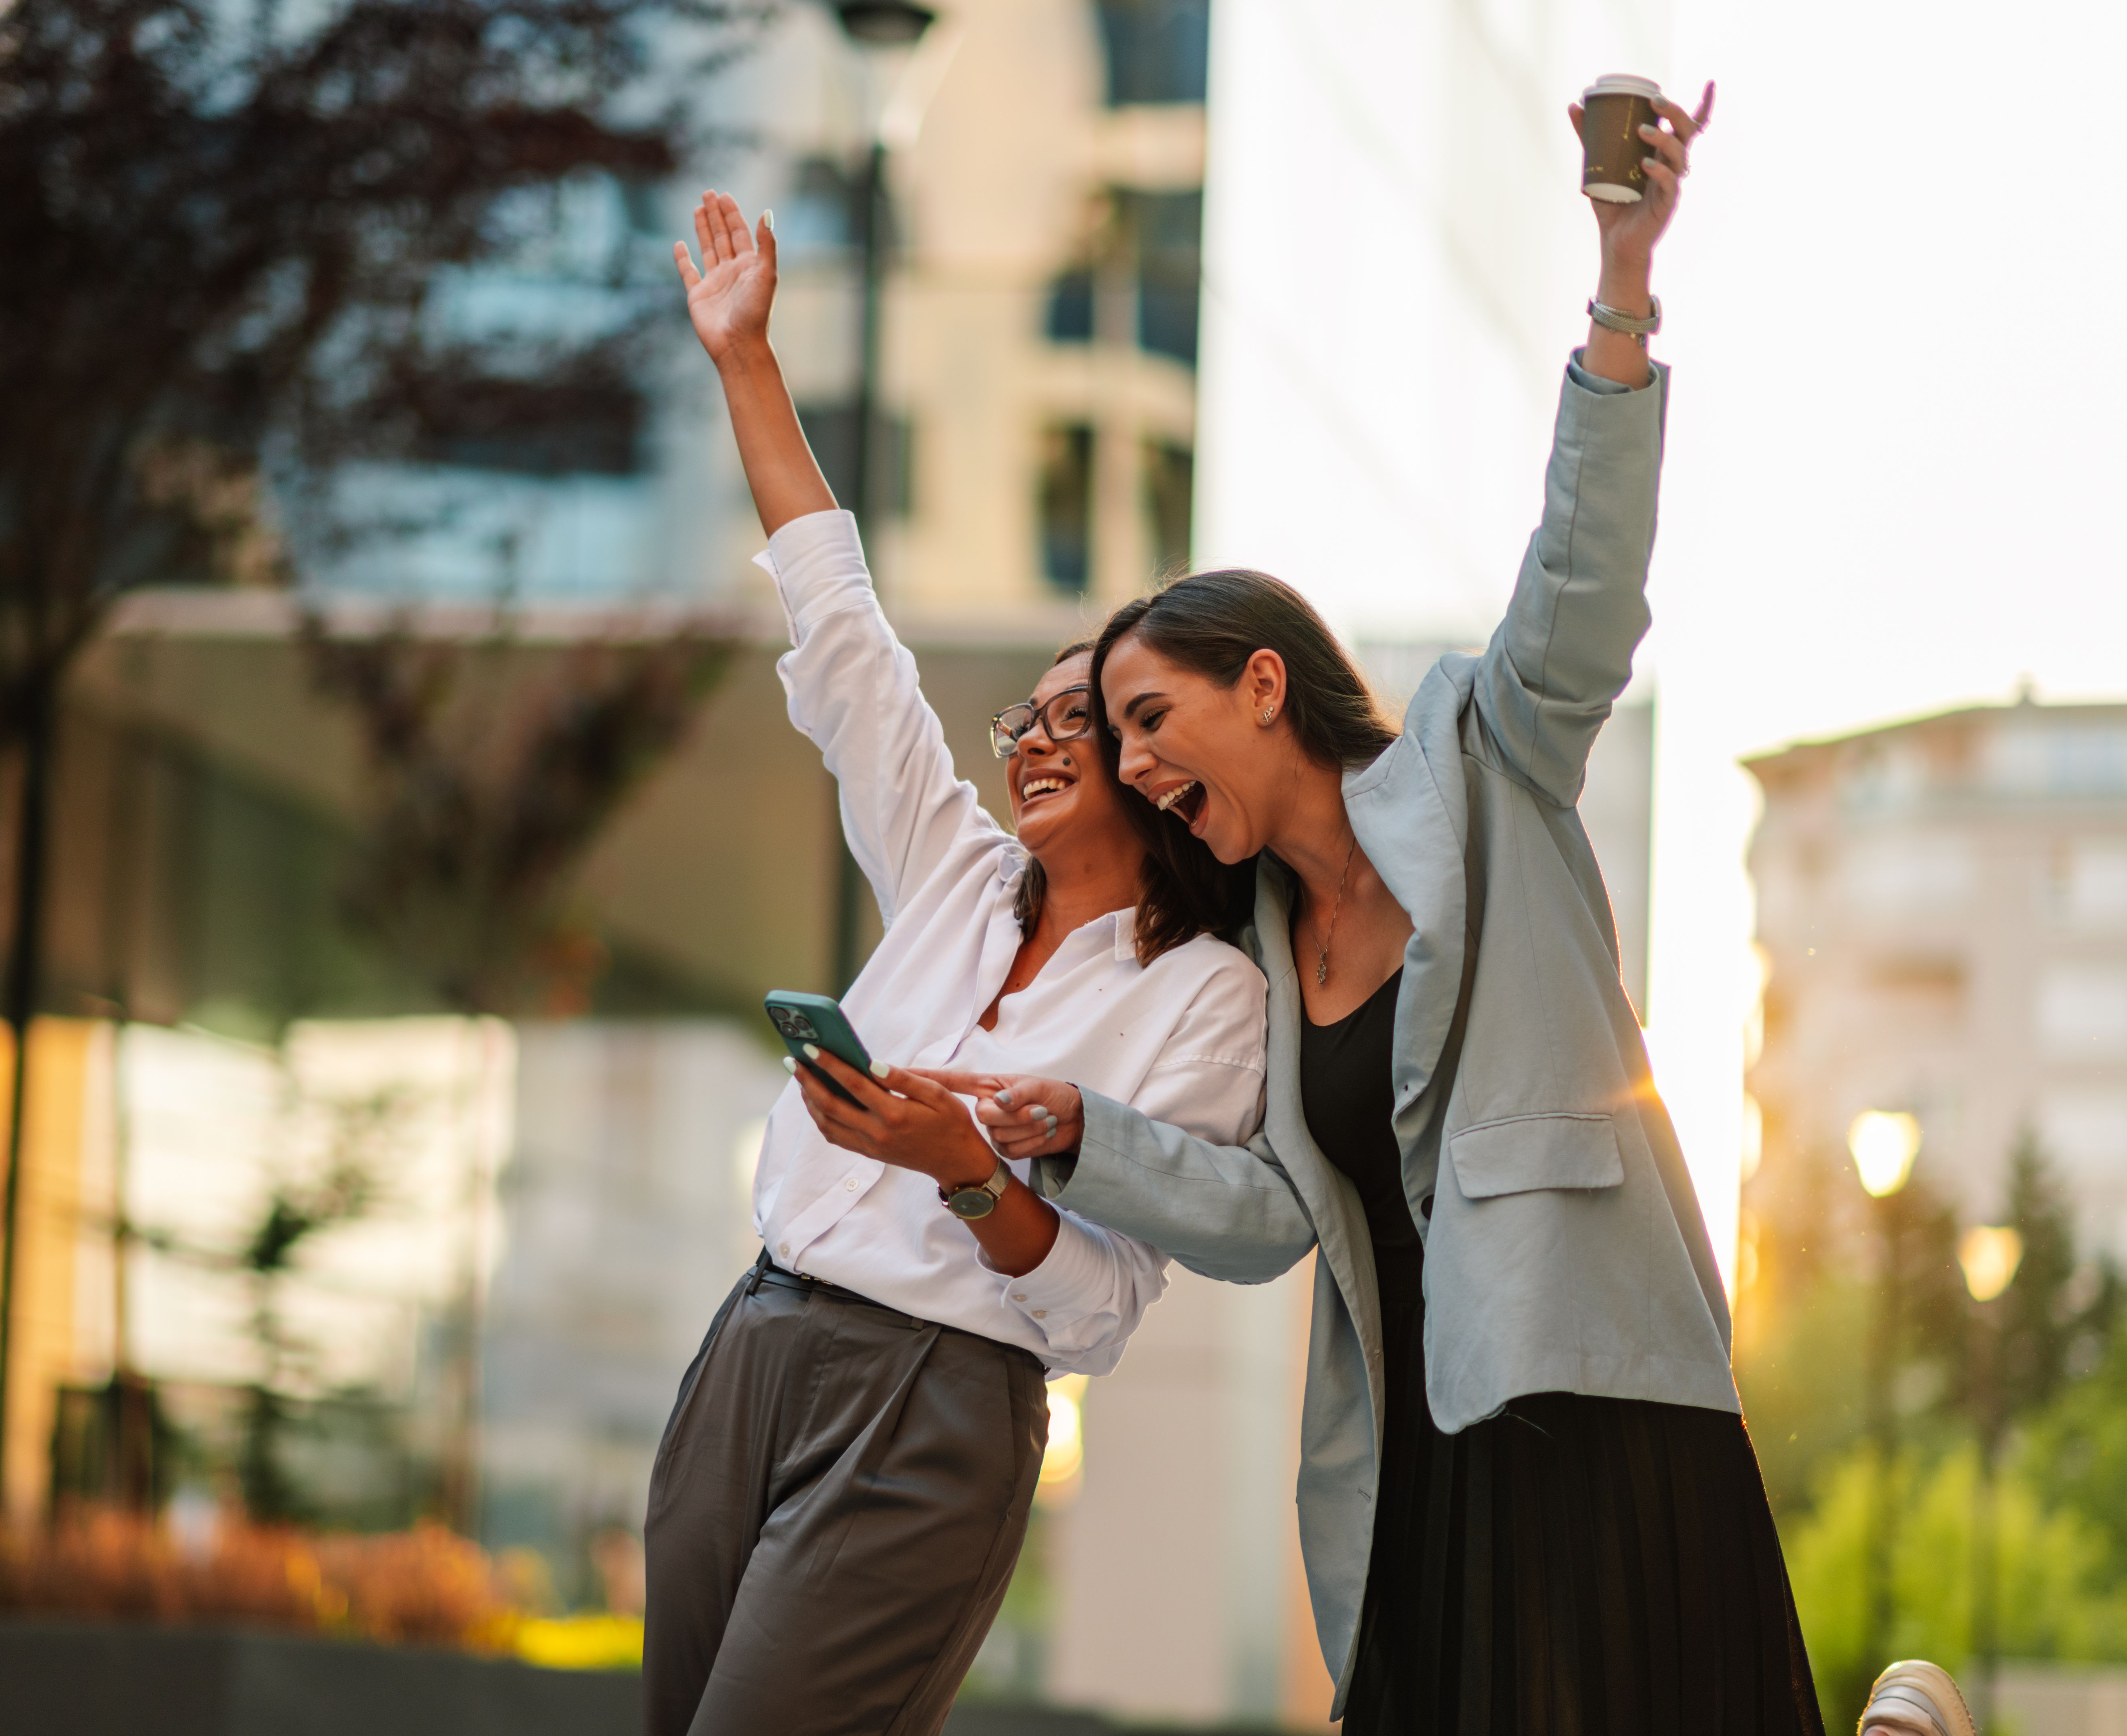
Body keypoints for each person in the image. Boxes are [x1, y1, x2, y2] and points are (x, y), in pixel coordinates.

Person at [797, 83, 1826, 1733]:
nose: (1132, 766)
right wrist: (1074, 1129)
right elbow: (1272, 1214)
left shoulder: (1482, 764)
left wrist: (1623, 278)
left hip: (1591, 1395)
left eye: (1149, 719)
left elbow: (1583, 577)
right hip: (1418, 1441)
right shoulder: (1265, 950)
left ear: (1263, 681)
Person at [643, 190, 1270, 1736]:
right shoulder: (952, 872)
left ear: (1162, 762)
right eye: (1036, 718)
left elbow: (1103, 1313)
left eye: (1088, 720)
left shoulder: (1203, 996)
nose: (1041, 742)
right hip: (756, 1341)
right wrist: (748, 364)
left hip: (933, 1402)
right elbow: (845, 635)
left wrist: (969, 1173)